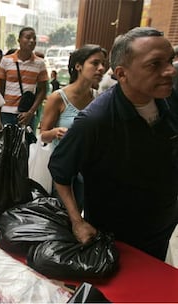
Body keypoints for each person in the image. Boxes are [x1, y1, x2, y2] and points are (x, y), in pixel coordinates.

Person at [48, 27, 178, 261]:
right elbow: (60, 173)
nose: (169, 71)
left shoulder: (170, 99)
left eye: (170, 61)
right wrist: (77, 222)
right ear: (122, 73)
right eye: (155, 64)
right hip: (114, 237)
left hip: (162, 226)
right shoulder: (95, 121)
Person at [41, 44, 107, 209]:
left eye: (103, 64)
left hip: (88, 170)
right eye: (95, 63)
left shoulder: (99, 99)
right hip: (63, 169)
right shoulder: (58, 98)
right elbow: (43, 135)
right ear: (78, 66)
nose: (101, 68)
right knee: (62, 215)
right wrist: (55, 132)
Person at [0, 27, 49, 129]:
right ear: (19, 40)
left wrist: (31, 112)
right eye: (28, 37)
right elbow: (1, 88)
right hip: (7, 112)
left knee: (26, 144)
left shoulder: (40, 63)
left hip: (27, 114)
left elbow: (42, 90)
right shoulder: (6, 60)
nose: (32, 41)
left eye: (34, 38)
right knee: (6, 144)